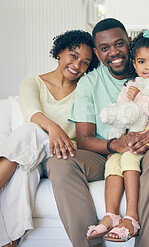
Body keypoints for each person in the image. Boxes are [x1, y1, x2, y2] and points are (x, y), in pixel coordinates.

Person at [46, 18, 149, 247]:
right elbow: (84, 139)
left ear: (129, 44)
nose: (114, 52)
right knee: (60, 162)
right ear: (98, 55)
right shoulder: (89, 83)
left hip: (147, 149)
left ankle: (145, 241)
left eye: (119, 44)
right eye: (105, 48)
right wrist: (115, 145)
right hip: (106, 154)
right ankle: (91, 242)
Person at [0, 30, 98, 247]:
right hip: (32, 154)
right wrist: (52, 128)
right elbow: (31, 113)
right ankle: (10, 243)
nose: (77, 65)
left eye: (85, 62)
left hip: (63, 156)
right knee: (24, 172)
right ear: (60, 52)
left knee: (30, 132)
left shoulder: (84, 90)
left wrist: (53, 131)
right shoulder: (32, 82)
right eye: (73, 56)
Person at [86, 29, 149, 242]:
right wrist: (115, 142)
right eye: (142, 62)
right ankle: (111, 215)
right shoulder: (130, 85)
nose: (148, 67)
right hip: (132, 134)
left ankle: (132, 217)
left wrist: (140, 100)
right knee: (115, 161)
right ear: (134, 64)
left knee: (128, 157)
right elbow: (120, 114)